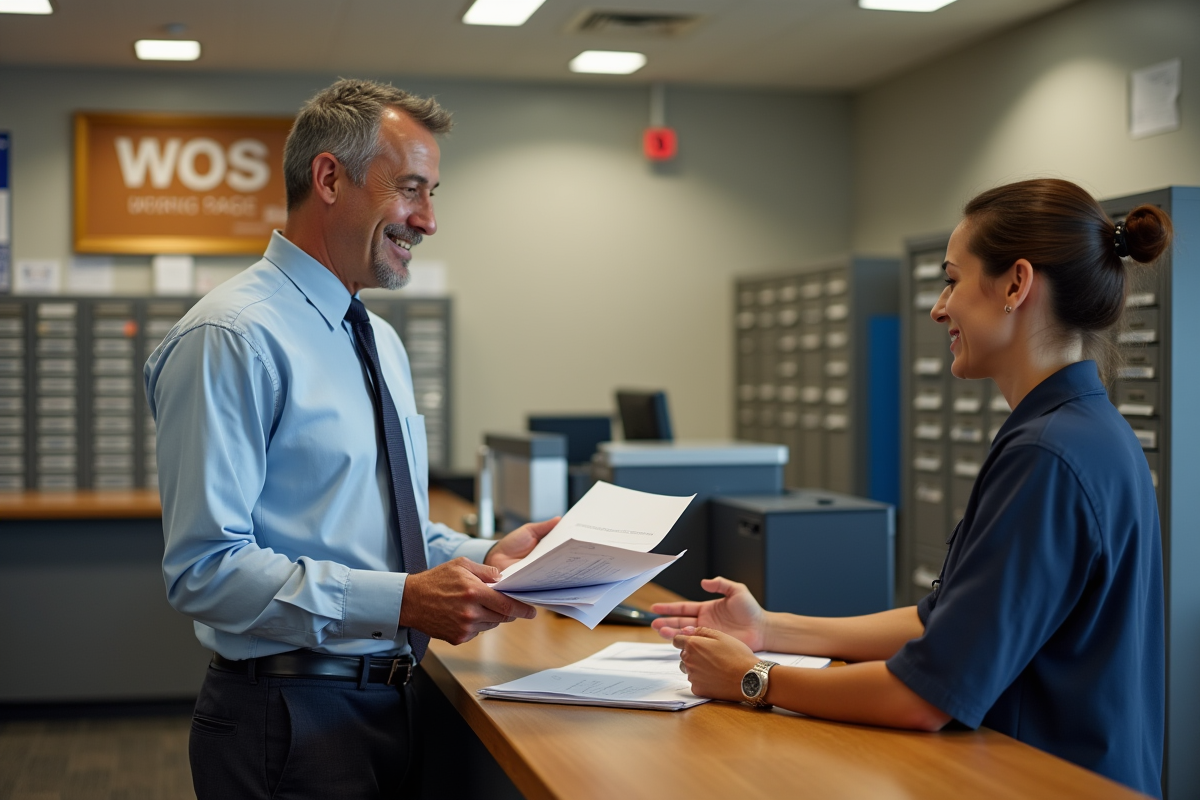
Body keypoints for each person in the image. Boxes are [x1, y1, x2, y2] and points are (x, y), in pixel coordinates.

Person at [653, 178, 1170, 797]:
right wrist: (768, 630)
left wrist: (752, 678)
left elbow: (926, 693)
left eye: (952, 279)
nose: (938, 307)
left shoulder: (1048, 453)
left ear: (1016, 284)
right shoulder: (1083, 429)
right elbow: (946, 624)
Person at [145, 78, 554, 799]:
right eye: (411, 190)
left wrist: (486, 555)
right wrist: (399, 600)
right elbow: (204, 570)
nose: (427, 220)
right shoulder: (233, 336)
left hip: (395, 703)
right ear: (329, 177)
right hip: (288, 719)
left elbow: (377, 528)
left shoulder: (379, 340)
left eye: (433, 195)